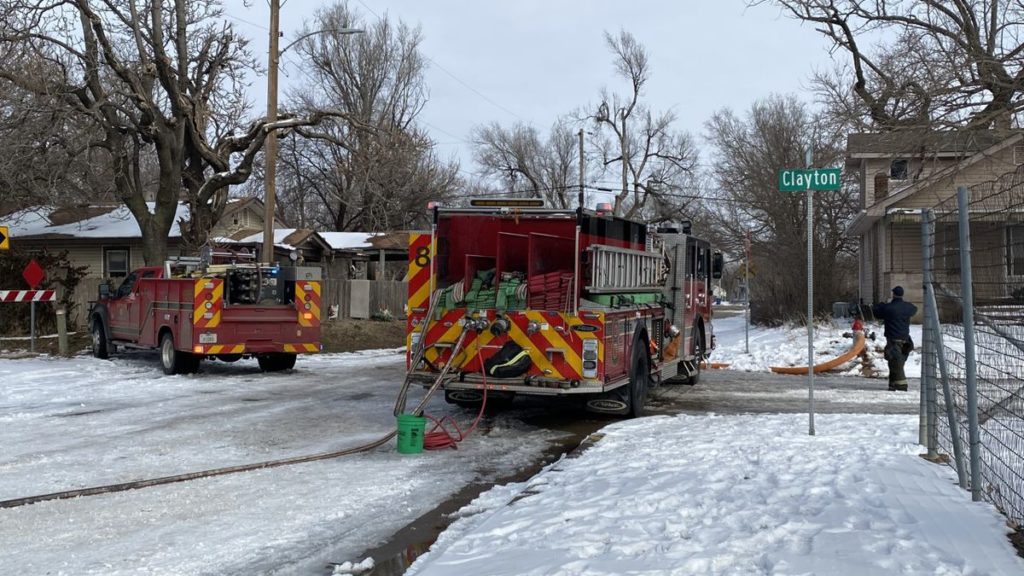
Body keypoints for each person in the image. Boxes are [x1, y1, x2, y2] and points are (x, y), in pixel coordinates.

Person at [873, 286, 918, 391]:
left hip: (893, 339)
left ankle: (901, 385)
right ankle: (892, 384)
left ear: (893, 294)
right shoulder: (908, 307)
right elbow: (914, 309)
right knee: (896, 362)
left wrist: (881, 304)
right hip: (905, 339)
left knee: (896, 362)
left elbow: (876, 313)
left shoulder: (888, 308)